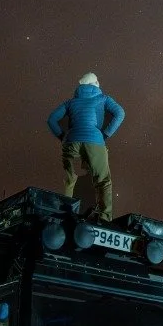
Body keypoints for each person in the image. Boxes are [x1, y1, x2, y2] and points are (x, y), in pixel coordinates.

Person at [46, 72, 125, 222]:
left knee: (70, 180)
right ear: (96, 84)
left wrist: (62, 136)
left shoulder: (70, 102)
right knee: (103, 180)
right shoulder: (103, 98)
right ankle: (104, 217)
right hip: (94, 142)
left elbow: (51, 120)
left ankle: (65, 215)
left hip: (71, 142)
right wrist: (106, 133)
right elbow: (120, 113)